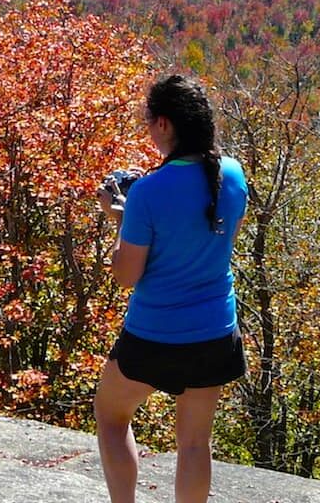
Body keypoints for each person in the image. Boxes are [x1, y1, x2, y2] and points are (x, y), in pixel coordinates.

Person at [94, 74, 250, 503]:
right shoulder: (233, 174)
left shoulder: (147, 192)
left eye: (149, 121)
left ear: (164, 124)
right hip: (215, 331)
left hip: (155, 334)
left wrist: (121, 219)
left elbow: (127, 275)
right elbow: (220, 242)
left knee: (111, 417)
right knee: (195, 442)